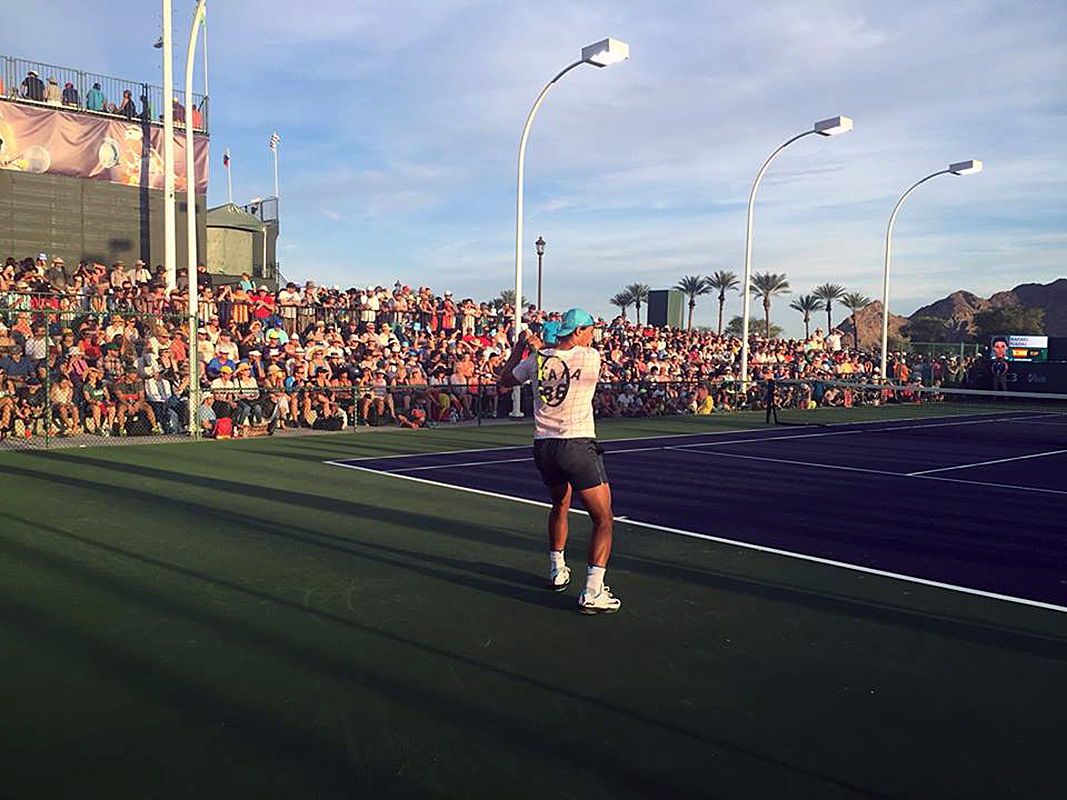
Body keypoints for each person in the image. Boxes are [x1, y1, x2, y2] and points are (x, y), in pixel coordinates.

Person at [499, 307, 620, 615]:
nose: (593, 336)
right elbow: (562, 355)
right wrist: (539, 346)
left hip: (544, 447)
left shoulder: (535, 360)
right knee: (603, 519)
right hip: (576, 444)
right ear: (578, 331)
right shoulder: (589, 357)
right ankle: (593, 590)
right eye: (590, 330)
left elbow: (504, 380)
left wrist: (521, 346)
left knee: (560, 505)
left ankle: (557, 569)